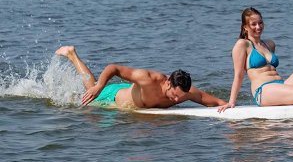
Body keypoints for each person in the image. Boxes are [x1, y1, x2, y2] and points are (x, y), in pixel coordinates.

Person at [55, 45, 226, 109]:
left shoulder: (184, 90)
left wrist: (228, 106)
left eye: (180, 98)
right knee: (90, 90)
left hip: (130, 102)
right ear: (167, 83)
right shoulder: (148, 78)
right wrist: (99, 87)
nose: (176, 100)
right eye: (175, 95)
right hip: (112, 97)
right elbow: (113, 68)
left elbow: (210, 100)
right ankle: (72, 54)